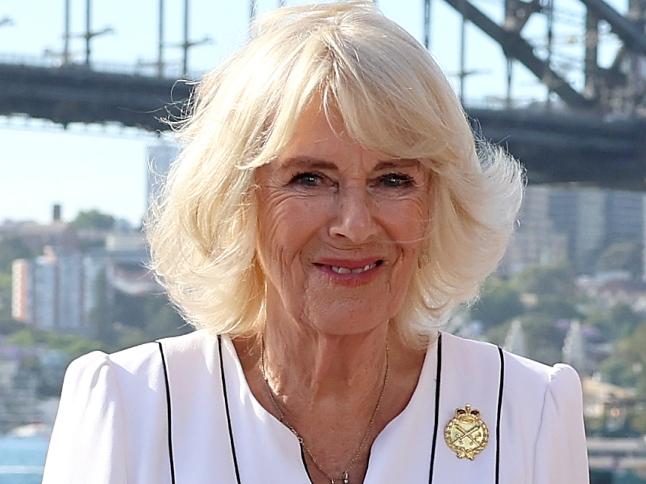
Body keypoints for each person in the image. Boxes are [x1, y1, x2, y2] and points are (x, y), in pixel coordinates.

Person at [42, 2, 589, 483]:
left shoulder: (528, 411)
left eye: (393, 179)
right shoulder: (129, 407)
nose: (354, 224)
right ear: (239, 198)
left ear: (439, 203)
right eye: (309, 178)